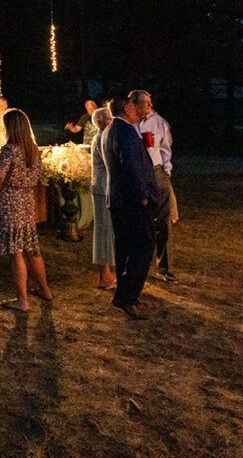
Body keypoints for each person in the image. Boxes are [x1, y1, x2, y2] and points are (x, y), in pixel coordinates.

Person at [99, 95, 162, 320]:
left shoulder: (112, 130)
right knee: (142, 245)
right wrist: (143, 196)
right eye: (136, 106)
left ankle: (124, 295)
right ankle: (128, 297)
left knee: (125, 248)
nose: (139, 110)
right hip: (131, 201)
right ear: (127, 108)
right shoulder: (124, 131)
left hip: (119, 199)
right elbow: (131, 166)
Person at [0, 108, 53, 312]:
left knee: (16, 251)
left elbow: (0, 174)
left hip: (11, 201)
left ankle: (22, 300)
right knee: (31, 247)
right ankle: (45, 290)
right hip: (27, 201)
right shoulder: (33, 149)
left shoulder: (9, 149)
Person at [131, 89, 178, 282]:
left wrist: (165, 171)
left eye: (150, 103)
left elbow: (166, 149)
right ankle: (138, 265)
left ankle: (164, 267)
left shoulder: (160, 123)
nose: (150, 106)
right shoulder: (130, 124)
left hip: (157, 173)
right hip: (139, 174)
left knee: (163, 220)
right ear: (135, 103)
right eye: (146, 103)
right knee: (140, 220)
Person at [89, 105, 116, 290]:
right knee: (104, 230)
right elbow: (110, 165)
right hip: (103, 188)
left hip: (102, 186)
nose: (111, 120)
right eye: (108, 118)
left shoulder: (101, 137)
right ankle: (104, 275)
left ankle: (107, 272)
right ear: (100, 122)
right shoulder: (101, 138)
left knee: (106, 229)